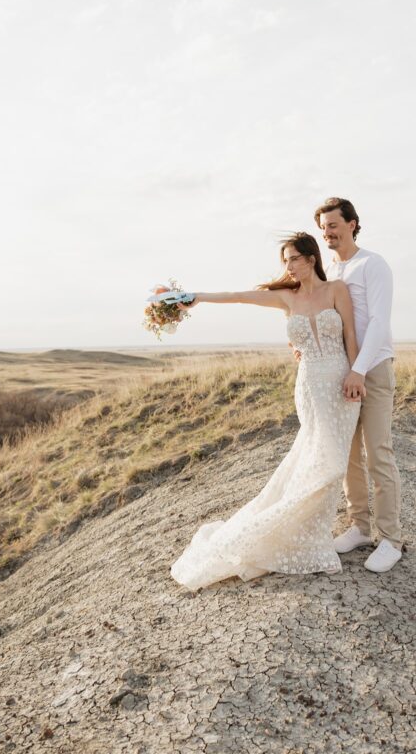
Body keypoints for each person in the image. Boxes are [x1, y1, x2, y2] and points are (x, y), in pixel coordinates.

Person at [170, 232, 362, 591]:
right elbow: (239, 297)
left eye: (293, 259)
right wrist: (196, 298)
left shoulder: (336, 290)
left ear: (310, 258)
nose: (288, 266)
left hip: (340, 381)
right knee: (326, 460)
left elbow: (351, 334)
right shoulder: (286, 298)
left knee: (328, 463)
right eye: (284, 261)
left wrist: (356, 372)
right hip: (310, 387)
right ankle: (296, 537)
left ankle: (310, 536)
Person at [310, 197, 403, 573]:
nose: (327, 233)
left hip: (373, 369)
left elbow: (379, 322)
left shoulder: (372, 264)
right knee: (348, 455)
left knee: (378, 451)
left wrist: (360, 370)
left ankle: (391, 538)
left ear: (352, 224)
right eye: (323, 227)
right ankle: (361, 527)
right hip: (340, 373)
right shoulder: (330, 270)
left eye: (333, 225)